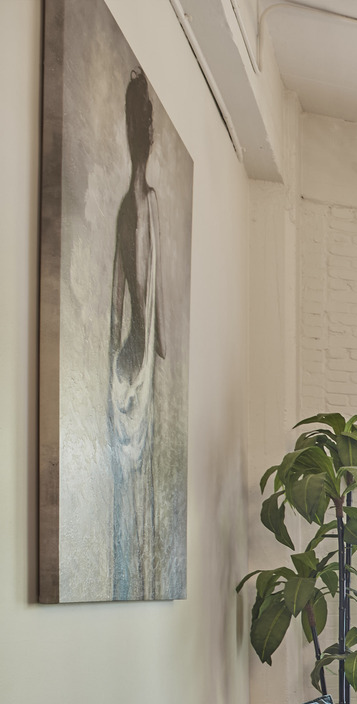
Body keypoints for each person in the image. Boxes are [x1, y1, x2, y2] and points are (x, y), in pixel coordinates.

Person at [107, 68, 164, 598]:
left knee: (148, 498)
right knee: (131, 499)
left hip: (141, 364)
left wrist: (152, 352)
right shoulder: (130, 209)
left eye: (144, 118)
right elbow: (117, 310)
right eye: (134, 119)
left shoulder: (149, 206)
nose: (139, 129)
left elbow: (157, 314)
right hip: (130, 365)